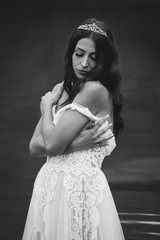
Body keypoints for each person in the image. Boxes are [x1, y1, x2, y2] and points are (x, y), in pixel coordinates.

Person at [22, 18, 124, 240]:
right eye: (79, 54)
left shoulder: (94, 90)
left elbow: (50, 144)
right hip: (50, 188)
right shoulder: (62, 89)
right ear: (71, 53)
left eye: (94, 58)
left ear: (104, 62)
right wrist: (77, 144)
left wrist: (46, 106)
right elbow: (34, 147)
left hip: (78, 190)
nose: (85, 63)